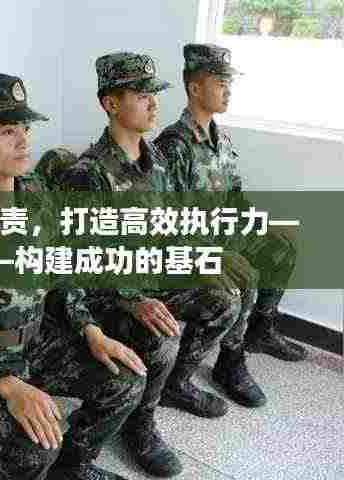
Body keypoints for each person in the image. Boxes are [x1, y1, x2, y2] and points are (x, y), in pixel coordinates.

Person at [0, 72, 147, 480]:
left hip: (35, 343)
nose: (24, 141)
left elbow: (59, 275)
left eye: (25, 129)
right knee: (35, 440)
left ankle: (71, 470)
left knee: (124, 381)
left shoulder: (36, 194)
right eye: (7, 131)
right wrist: (6, 384)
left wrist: (90, 330)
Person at [60, 51, 246, 476]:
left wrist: (202, 258)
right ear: (111, 103)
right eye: (141, 95)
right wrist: (131, 299)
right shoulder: (89, 174)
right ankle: (139, 425)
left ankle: (173, 386)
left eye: (154, 94)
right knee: (160, 337)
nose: (153, 103)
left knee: (224, 299)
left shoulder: (156, 160)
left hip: (151, 276)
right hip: (106, 295)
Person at [154, 43, 305, 415]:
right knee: (243, 274)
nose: (228, 90)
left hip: (220, 237)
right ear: (194, 88)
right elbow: (165, 223)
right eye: (220, 83)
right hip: (186, 252)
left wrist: (262, 224)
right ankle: (227, 362)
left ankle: (260, 331)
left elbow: (235, 200)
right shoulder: (173, 147)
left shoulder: (220, 140)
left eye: (229, 83)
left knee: (282, 244)